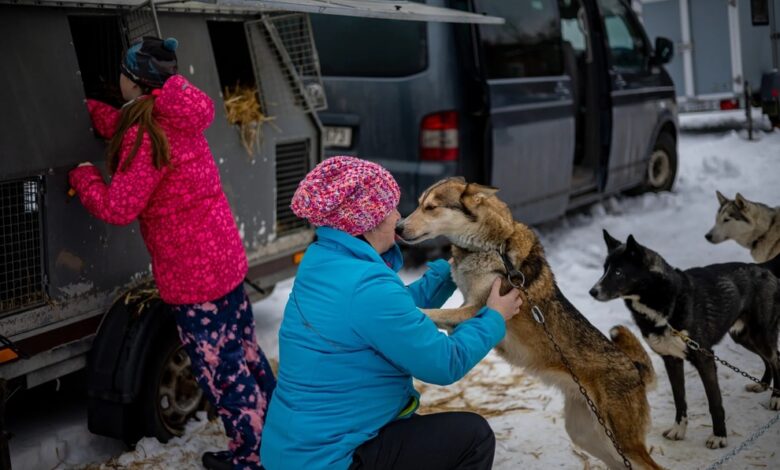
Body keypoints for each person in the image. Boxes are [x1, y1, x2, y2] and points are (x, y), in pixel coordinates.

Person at [68, 36, 274, 470]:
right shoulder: (175, 112)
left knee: (222, 371)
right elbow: (126, 125)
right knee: (245, 353)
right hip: (223, 261)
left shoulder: (144, 136)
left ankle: (252, 457)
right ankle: (277, 431)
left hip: (193, 276)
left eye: (122, 75)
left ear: (133, 82)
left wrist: (85, 177)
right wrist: (87, 111)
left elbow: (120, 206)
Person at [260, 156, 523, 470]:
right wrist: (493, 316)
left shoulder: (323, 259)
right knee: (473, 436)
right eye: (391, 209)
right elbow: (444, 363)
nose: (399, 216)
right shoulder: (368, 287)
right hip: (333, 460)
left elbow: (390, 316)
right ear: (367, 221)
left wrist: (444, 275)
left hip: (294, 452)